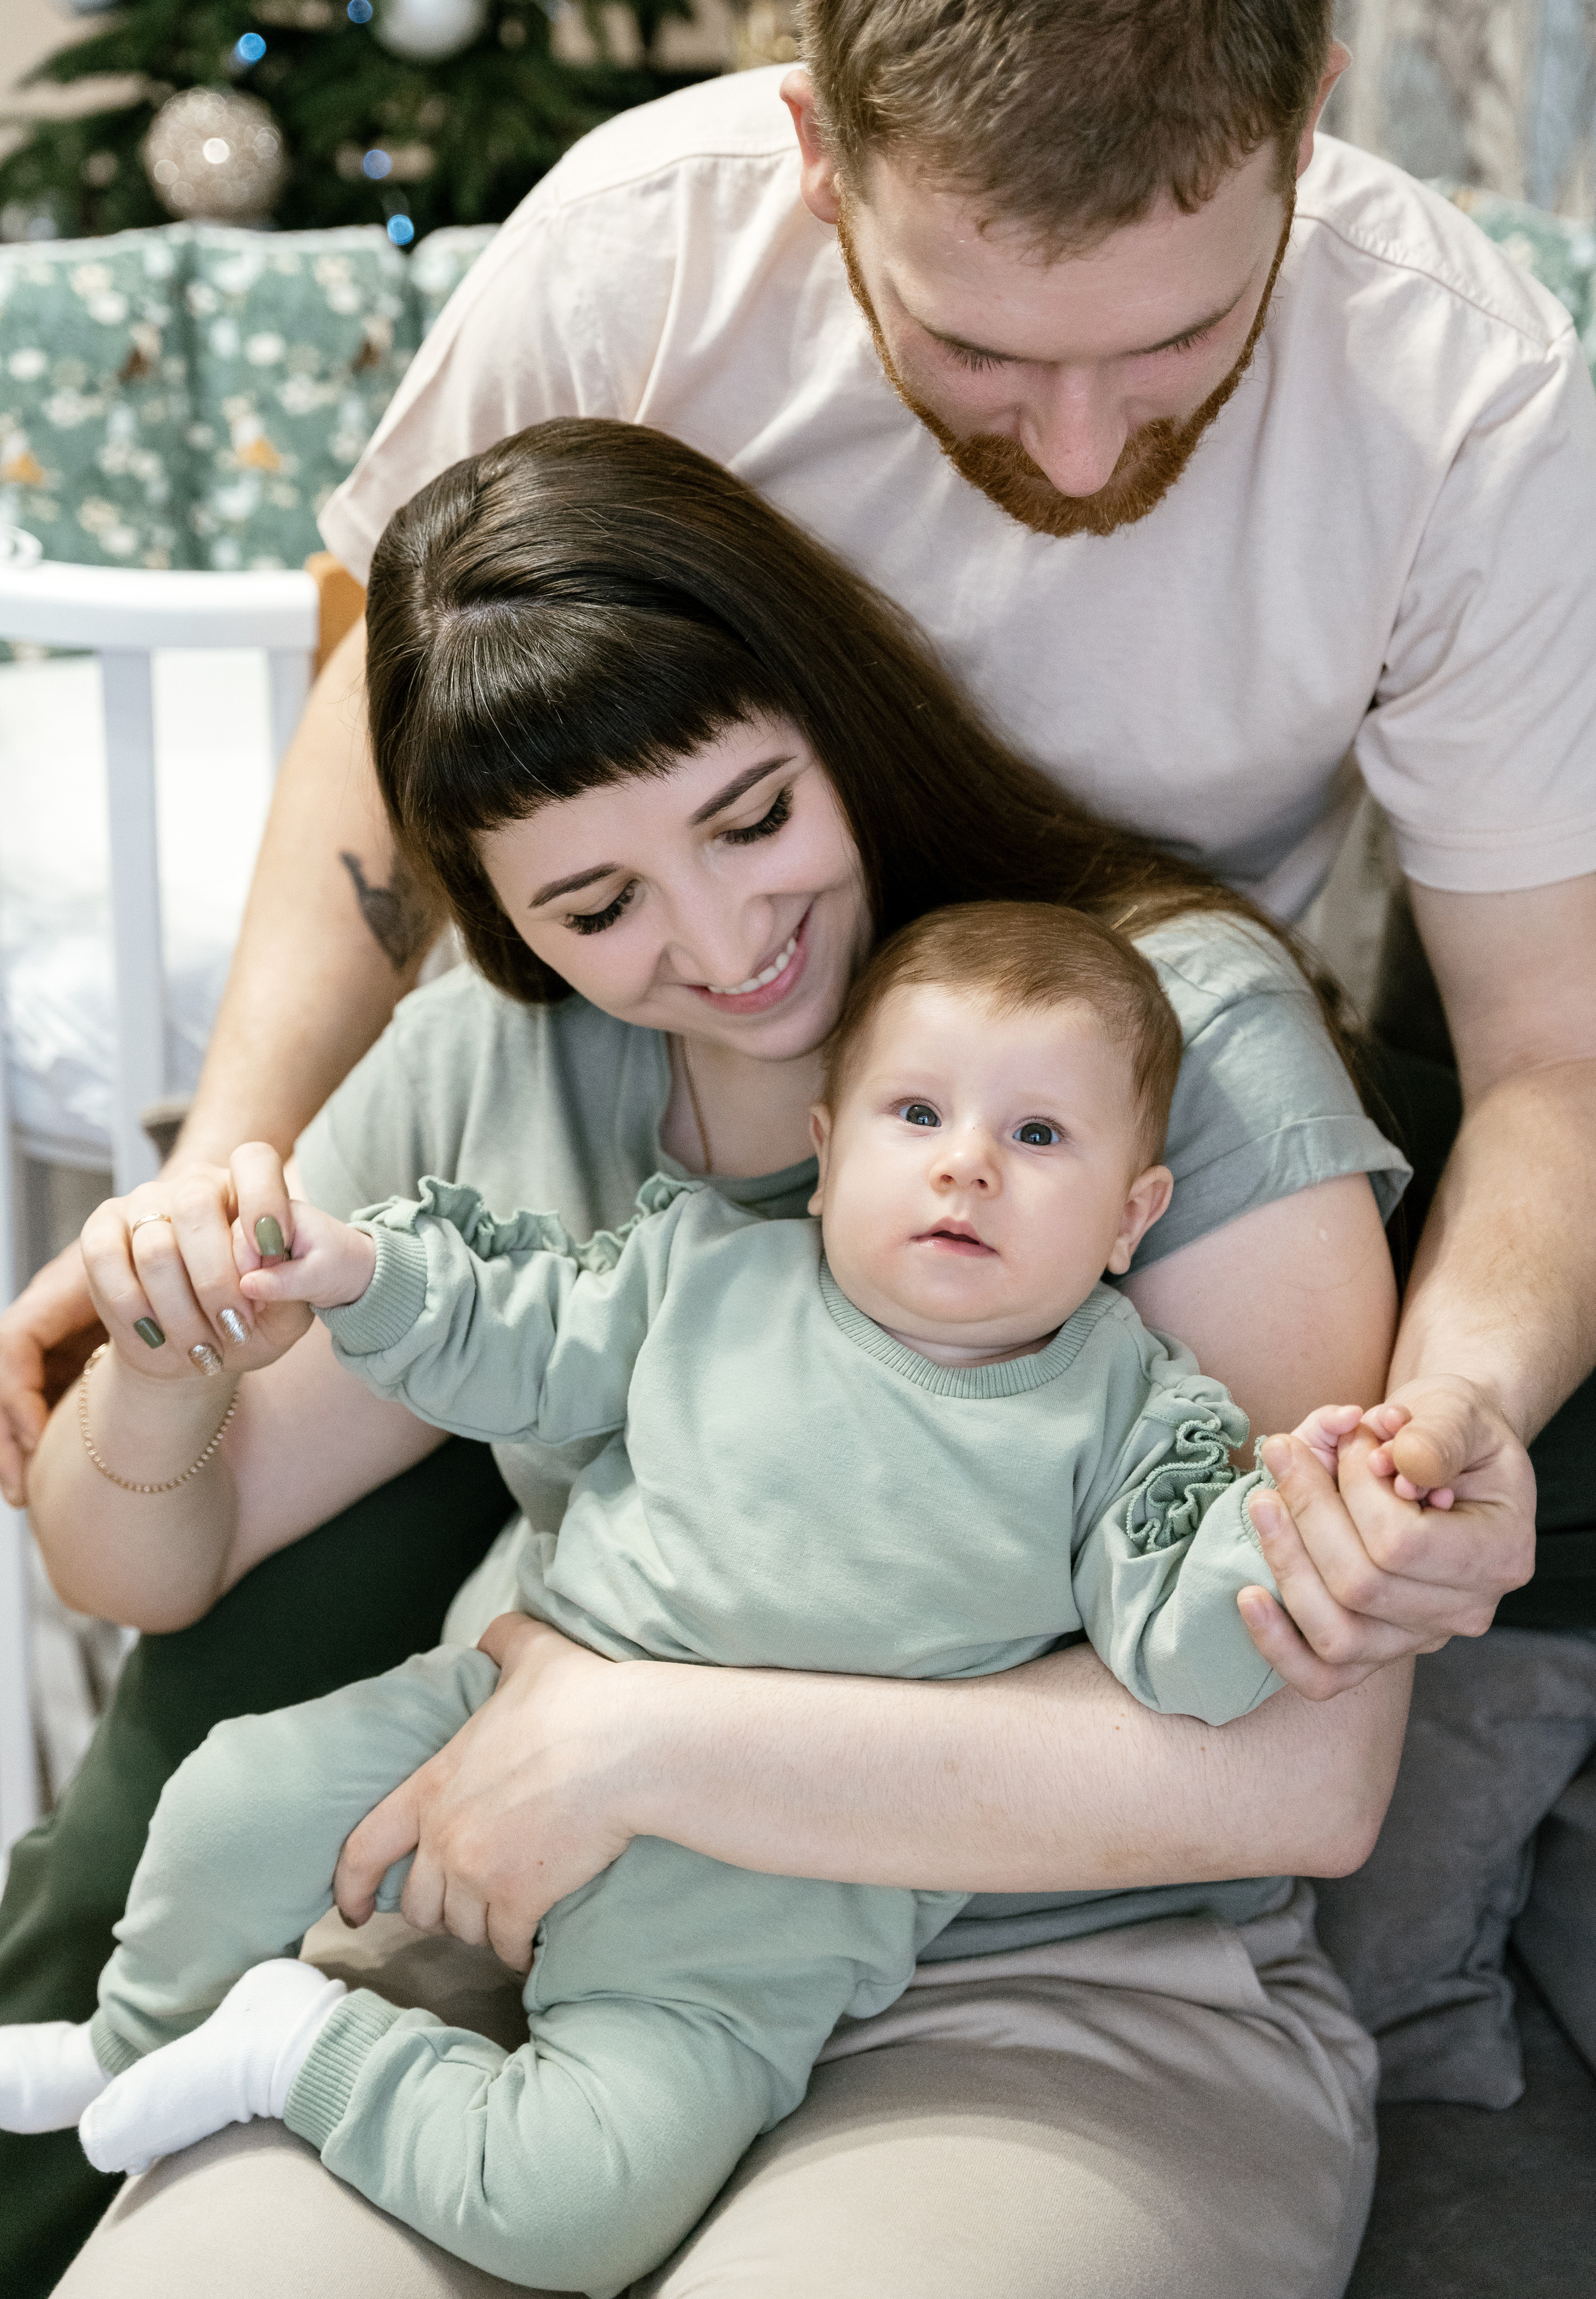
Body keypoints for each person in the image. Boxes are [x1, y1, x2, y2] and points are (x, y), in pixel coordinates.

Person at [12, 419, 1415, 2299]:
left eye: (753, 819)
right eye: (597, 910)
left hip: (1051, 1976)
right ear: (503, 919)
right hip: (518, 1931)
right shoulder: (492, 1066)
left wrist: (643, 1745)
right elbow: (136, 1562)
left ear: (836, 716)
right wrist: (171, 1353)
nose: (726, 938)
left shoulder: (1154, 1033)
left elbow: (1305, 1772)